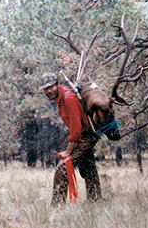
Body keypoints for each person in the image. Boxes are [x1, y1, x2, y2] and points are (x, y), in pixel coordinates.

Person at [39, 72, 102, 205]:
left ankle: (57, 209)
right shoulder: (61, 99)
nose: (49, 91)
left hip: (86, 137)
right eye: (46, 88)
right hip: (85, 136)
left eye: (51, 86)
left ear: (58, 84)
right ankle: (96, 203)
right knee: (88, 169)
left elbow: (76, 129)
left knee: (62, 170)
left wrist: (68, 152)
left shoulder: (68, 99)